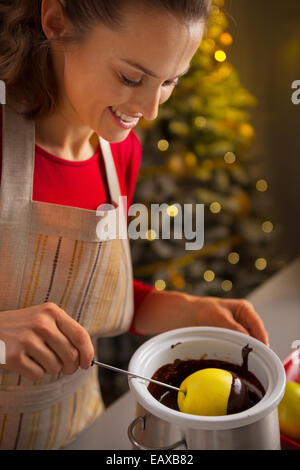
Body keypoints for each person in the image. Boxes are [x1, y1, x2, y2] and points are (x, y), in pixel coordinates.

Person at [0, 0, 268, 450]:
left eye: (169, 82)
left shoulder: (118, 152)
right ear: (57, 22)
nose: (149, 109)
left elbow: (90, 297)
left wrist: (185, 310)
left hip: (81, 429)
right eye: (130, 77)